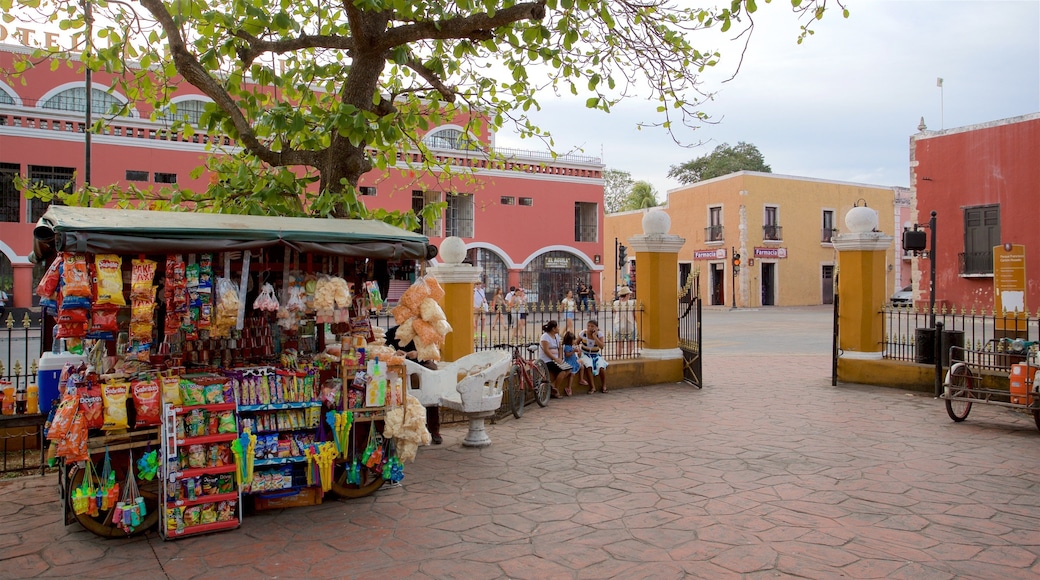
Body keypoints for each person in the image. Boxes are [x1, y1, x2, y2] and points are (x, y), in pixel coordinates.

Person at [385, 324, 442, 444]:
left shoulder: (422, 330)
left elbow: (434, 351)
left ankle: (434, 430)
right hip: (400, 370)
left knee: (431, 389)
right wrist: (394, 353)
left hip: (422, 366)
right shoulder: (393, 332)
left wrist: (418, 353)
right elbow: (384, 348)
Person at [538, 320, 568, 398]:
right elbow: (546, 350)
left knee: (569, 369)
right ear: (553, 329)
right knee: (562, 372)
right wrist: (555, 358)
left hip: (556, 360)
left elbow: (560, 348)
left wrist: (560, 358)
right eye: (557, 327)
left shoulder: (557, 336)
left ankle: (553, 385)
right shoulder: (545, 337)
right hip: (547, 360)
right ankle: (555, 389)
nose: (558, 328)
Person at [579, 319, 609, 393]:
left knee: (601, 367)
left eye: (592, 326)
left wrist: (595, 336)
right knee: (589, 367)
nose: (590, 328)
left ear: (596, 328)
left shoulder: (599, 334)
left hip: (595, 355)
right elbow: (576, 342)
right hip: (585, 354)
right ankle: (592, 387)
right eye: (588, 326)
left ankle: (604, 386)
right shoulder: (583, 333)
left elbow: (601, 346)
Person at [612, 286, 638, 358]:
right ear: (626, 295)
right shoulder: (632, 303)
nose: (630, 295)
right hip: (630, 325)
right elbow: (634, 314)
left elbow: (614, 311)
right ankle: (628, 357)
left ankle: (618, 357)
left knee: (619, 344)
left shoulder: (616, 303)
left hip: (619, 325)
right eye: (629, 294)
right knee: (630, 344)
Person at [561, 331, 580, 397]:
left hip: (573, 362)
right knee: (572, 374)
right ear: (569, 341)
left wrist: (577, 351)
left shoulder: (571, 346)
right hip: (569, 362)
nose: (575, 341)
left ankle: (581, 379)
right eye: (573, 339)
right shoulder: (567, 347)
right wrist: (573, 351)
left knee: (580, 368)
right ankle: (569, 387)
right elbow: (567, 355)